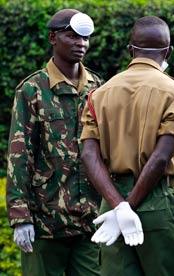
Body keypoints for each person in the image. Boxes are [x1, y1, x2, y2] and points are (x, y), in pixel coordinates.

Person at [80, 16, 174, 276]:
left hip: (111, 201)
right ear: (169, 52)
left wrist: (119, 206)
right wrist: (128, 207)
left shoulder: (100, 93)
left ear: (130, 50)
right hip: (155, 200)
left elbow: (88, 155)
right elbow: (161, 158)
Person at [6, 9, 103, 276]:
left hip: (90, 220)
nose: (81, 44)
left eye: (85, 38)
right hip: (45, 221)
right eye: (72, 36)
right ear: (53, 38)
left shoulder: (98, 88)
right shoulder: (32, 90)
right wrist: (20, 217)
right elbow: (19, 155)